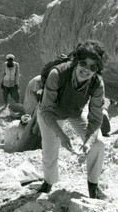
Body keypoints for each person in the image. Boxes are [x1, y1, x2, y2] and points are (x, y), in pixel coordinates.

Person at [37, 40, 108, 200]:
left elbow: (96, 118)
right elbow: (45, 111)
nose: (87, 70)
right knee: (50, 151)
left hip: (74, 112)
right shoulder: (58, 74)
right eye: (83, 63)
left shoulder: (97, 83)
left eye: (93, 67)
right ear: (76, 61)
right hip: (51, 113)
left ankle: (94, 186)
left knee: (98, 143)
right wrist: (61, 135)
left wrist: (88, 141)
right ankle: (48, 183)